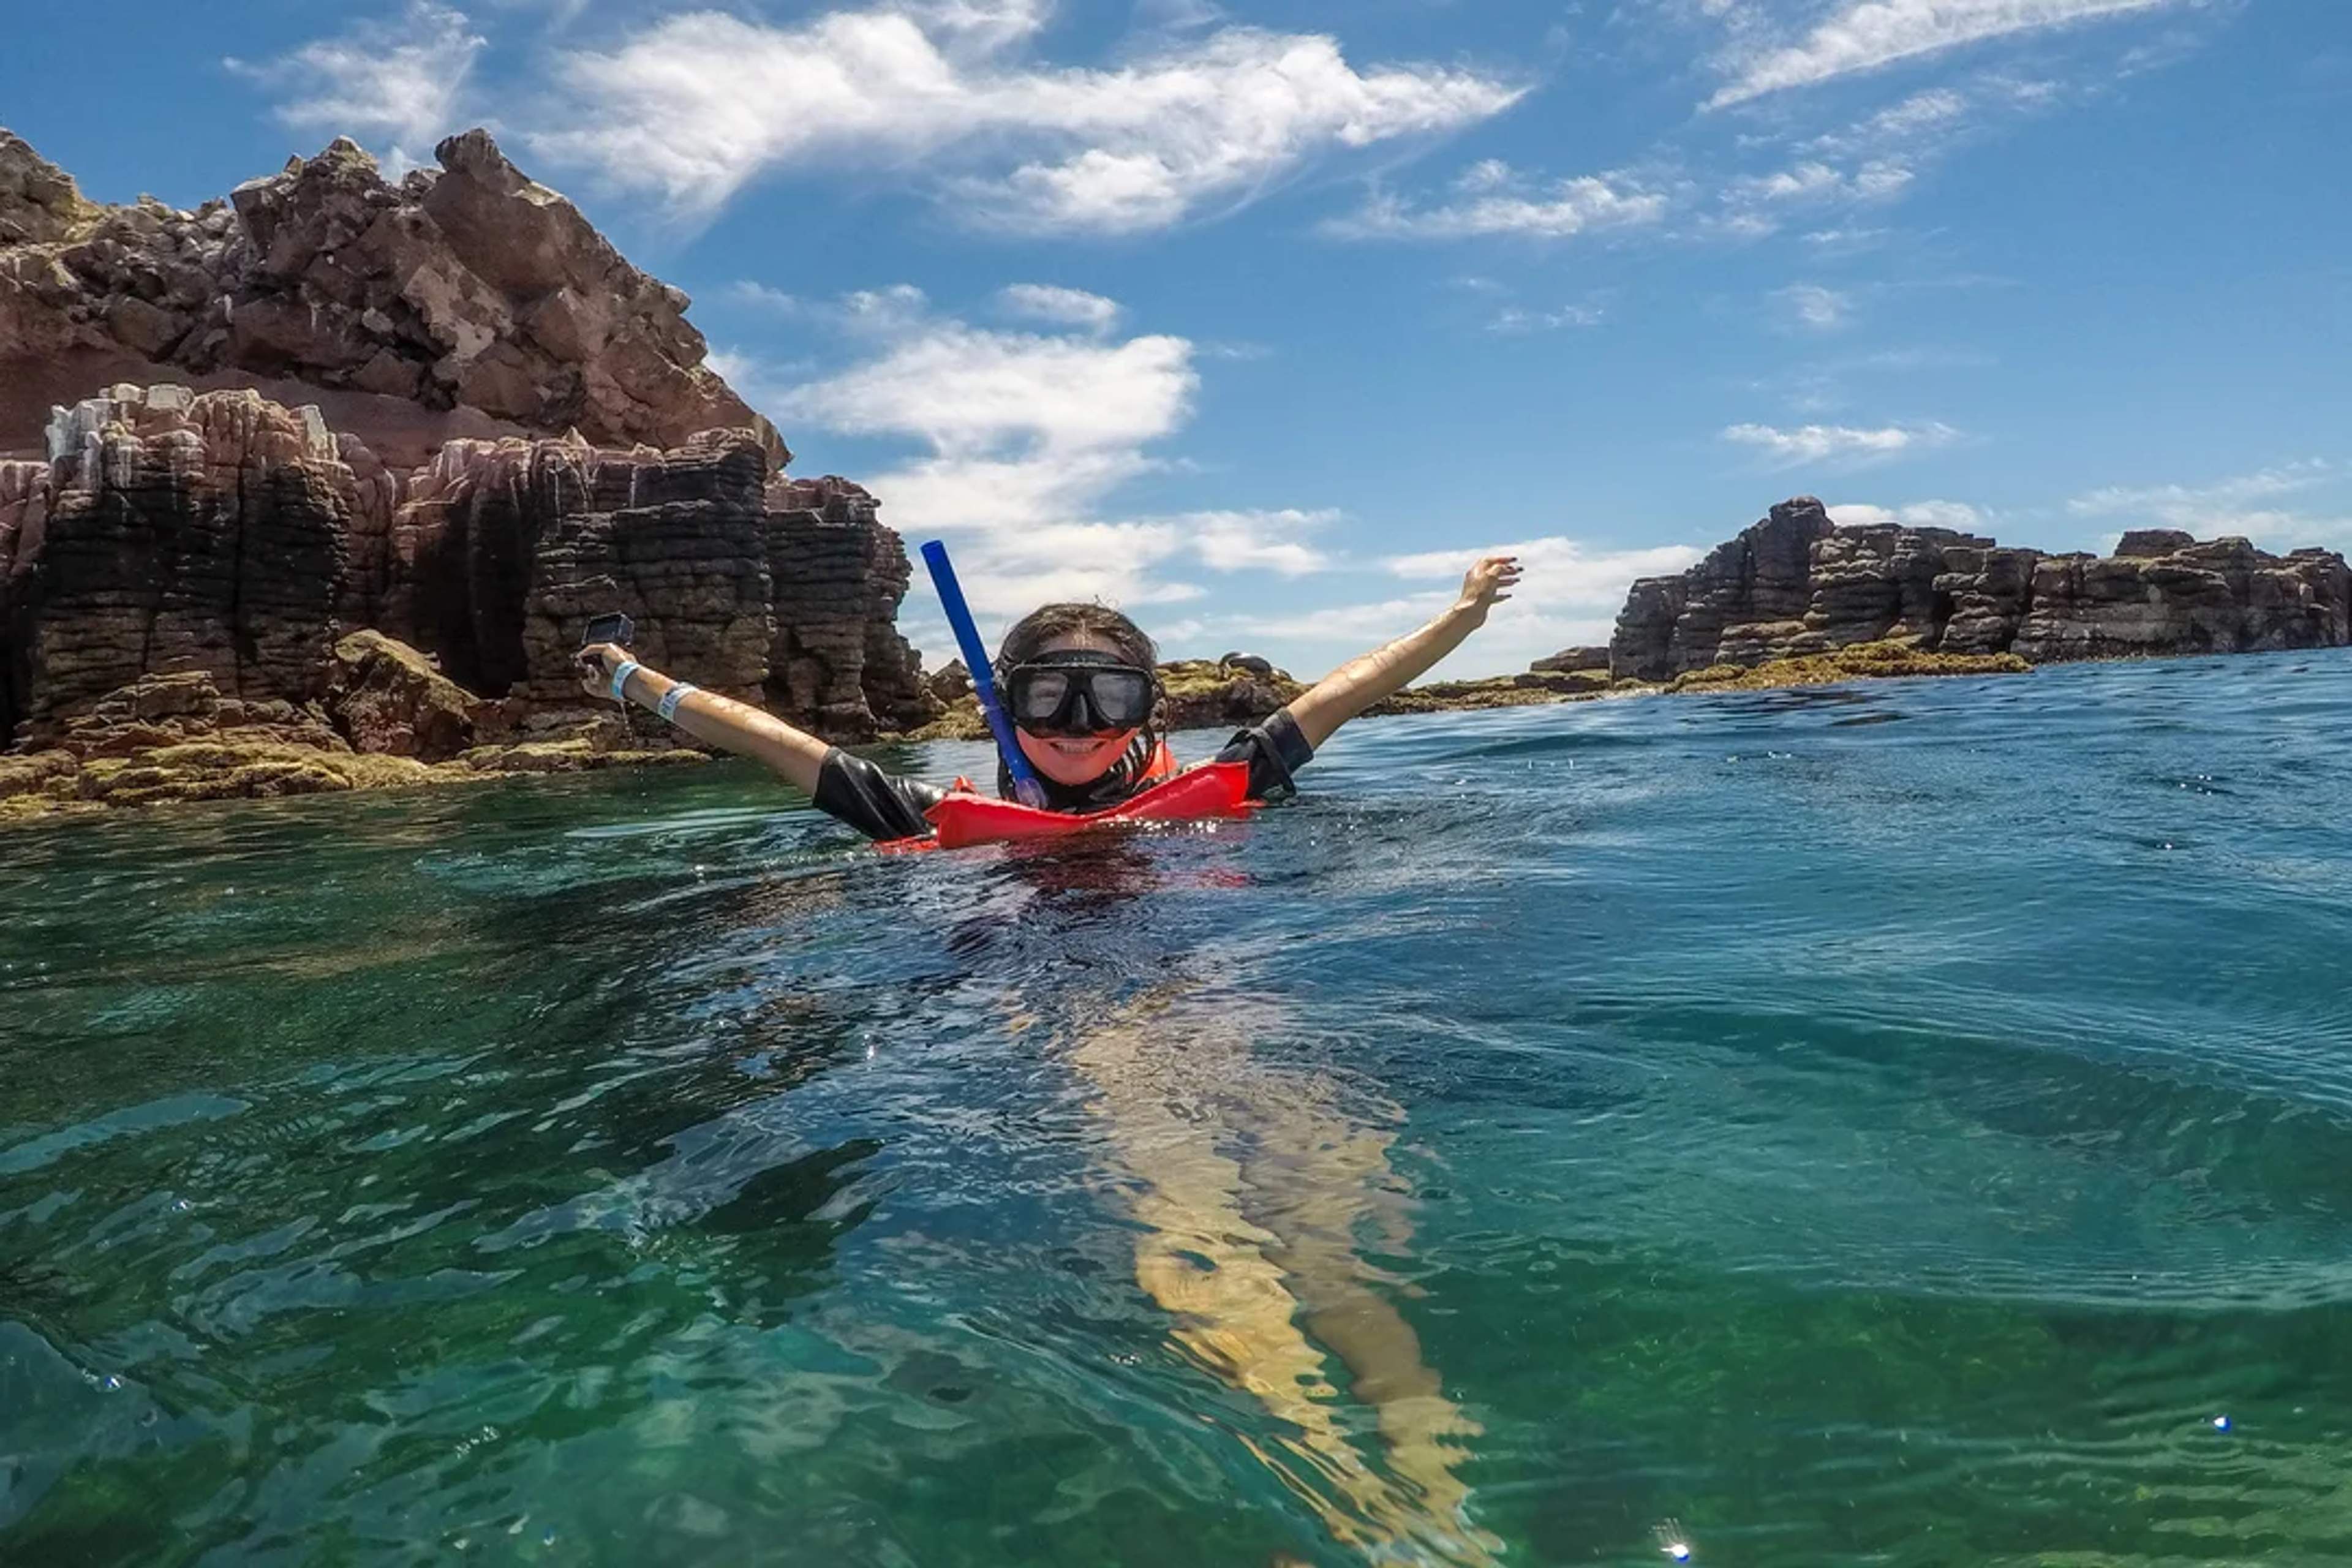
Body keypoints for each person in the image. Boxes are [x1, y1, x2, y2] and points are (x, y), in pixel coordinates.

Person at [576, 554, 1524, 843]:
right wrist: (629, 677)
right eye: (1049, 699)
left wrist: (1463, 621)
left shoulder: (1216, 787)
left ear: (1150, 711)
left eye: (1107, 696)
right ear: (1005, 704)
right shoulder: (930, 815)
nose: (1079, 728)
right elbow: (771, 740)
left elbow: (1344, 694)